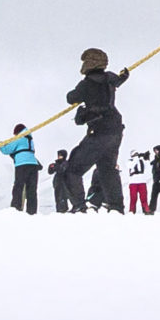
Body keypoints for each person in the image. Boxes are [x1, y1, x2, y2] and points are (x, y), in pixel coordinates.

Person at [63, 48, 131, 213]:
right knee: (107, 170)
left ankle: (79, 206)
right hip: (115, 130)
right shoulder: (110, 78)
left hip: (99, 132)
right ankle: (116, 208)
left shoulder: (86, 84)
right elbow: (119, 80)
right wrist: (123, 76)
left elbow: (71, 98)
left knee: (72, 169)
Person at [2, 124, 40, 214]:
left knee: (18, 187)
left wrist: (0, 145)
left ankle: (16, 210)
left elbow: (7, 150)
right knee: (32, 190)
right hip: (33, 165)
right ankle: (32, 212)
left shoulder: (20, 138)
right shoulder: (30, 139)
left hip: (22, 165)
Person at [50, 147, 86, 213]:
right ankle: (61, 210)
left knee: (66, 195)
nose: (59, 157)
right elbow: (50, 171)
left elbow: (62, 169)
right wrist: (53, 166)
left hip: (65, 182)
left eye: (61, 155)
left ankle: (75, 206)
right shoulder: (57, 163)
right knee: (59, 197)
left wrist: (56, 167)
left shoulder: (66, 163)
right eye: (59, 155)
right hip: (58, 182)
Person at [127, 148, 151, 215]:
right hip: (133, 182)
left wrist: (147, 159)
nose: (136, 155)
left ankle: (146, 210)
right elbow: (131, 165)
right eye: (135, 154)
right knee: (133, 198)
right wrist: (137, 158)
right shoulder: (129, 161)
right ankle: (132, 211)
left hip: (142, 181)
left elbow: (148, 167)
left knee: (144, 197)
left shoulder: (141, 161)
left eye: (137, 154)